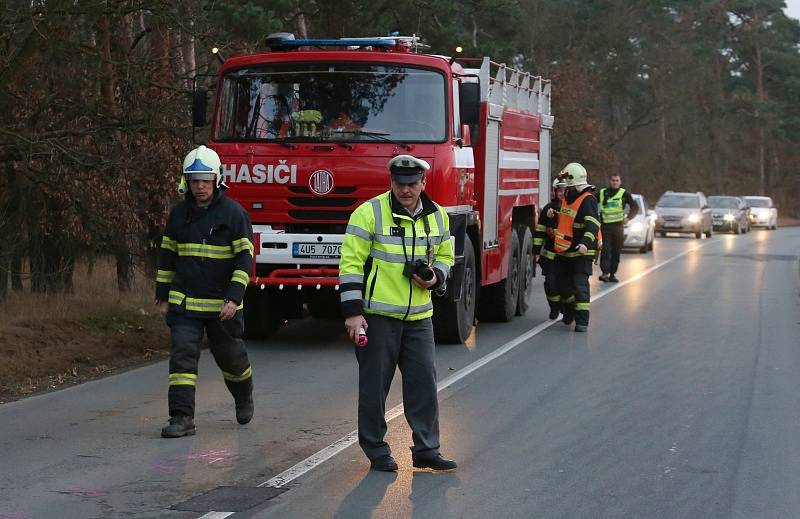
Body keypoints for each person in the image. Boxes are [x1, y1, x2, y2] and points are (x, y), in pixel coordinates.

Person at [339, 154, 456, 472]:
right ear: (391, 182)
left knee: (424, 385)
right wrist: (352, 313)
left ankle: (427, 449)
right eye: (400, 184)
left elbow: (446, 255)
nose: (406, 190)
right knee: (374, 387)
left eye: (412, 184)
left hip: (419, 315)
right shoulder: (369, 213)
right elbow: (350, 265)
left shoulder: (438, 217)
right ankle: (376, 451)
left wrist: (436, 277)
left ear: (423, 183)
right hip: (378, 316)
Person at [155, 145, 255, 438]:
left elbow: (244, 260)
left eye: (205, 180)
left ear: (217, 180)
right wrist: (162, 295)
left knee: (232, 360)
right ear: (186, 181)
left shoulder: (234, 214)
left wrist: (233, 299)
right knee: (182, 361)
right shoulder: (178, 215)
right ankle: (181, 418)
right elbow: (167, 257)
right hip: (184, 303)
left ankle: (243, 395)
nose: (200, 186)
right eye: (194, 180)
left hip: (222, 306)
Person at [552, 162, 601, 333]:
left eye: (566, 180)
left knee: (580, 286)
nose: (563, 185)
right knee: (563, 287)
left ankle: (582, 322)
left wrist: (585, 244)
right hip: (564, 250)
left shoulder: (588, 200)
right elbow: (568, 219)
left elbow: (593, 225)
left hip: (581, 251)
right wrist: (555, 215)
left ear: (573, 181)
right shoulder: (568, 195)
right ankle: (570, 311)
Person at [533, 178, 567, 320]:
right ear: (555, 191)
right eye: (559, 190)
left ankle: (567, 310)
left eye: (564, 190)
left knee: (566, 287)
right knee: (551, 285)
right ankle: (554, 307)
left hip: (567, 257)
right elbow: (540, 231)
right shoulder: (548, 208)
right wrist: (535, 252)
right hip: (551, 256)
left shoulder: (574, 209)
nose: (561, 193)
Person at [598, 174, 638, 282]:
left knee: (616, 251)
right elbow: (591, 203)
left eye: (617, 180)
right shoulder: (602, 193)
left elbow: (635, 207)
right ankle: (605, 273)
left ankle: (612, 274)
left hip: (618, 226)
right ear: (610, 181)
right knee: (605, 250)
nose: (615, 182)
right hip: (605, 226)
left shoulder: (624, 194)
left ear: (620, 182)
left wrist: (628, 218)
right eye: (613, 180)